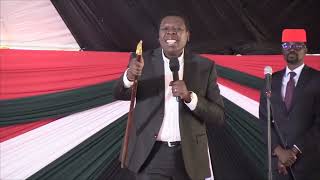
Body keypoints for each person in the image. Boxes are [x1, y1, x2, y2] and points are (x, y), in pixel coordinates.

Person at [113, 12, 225, 180]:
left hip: (189, 156)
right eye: (165, 29)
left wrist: (190, 97)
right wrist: (129, 75)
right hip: (150, 155)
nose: (171, 32)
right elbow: (119, 93)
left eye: (178, 29)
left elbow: (218, 116)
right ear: (158, 36)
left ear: (187, 35)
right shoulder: (142, 61)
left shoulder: (204, 67)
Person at [259, 29, 320, 180]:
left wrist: (295, 150)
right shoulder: (270, 81)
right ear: (282, 50)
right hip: (278, 167)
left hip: (309, 165)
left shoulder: (317, 79)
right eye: (287, 45)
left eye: (297, 45)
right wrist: (279, 151)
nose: (291, 49)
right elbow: (264, 120)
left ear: (305, 49)